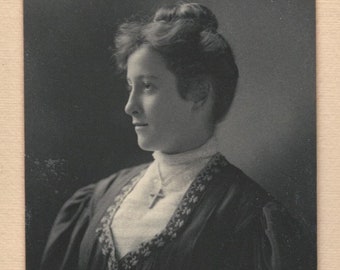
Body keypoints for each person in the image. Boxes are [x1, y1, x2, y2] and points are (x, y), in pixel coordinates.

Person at [40, 3, 313, 270]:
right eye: (130, 86)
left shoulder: (248, 216)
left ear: (199, 93)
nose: (129, 106)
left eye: (147, 86)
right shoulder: (96, 199)